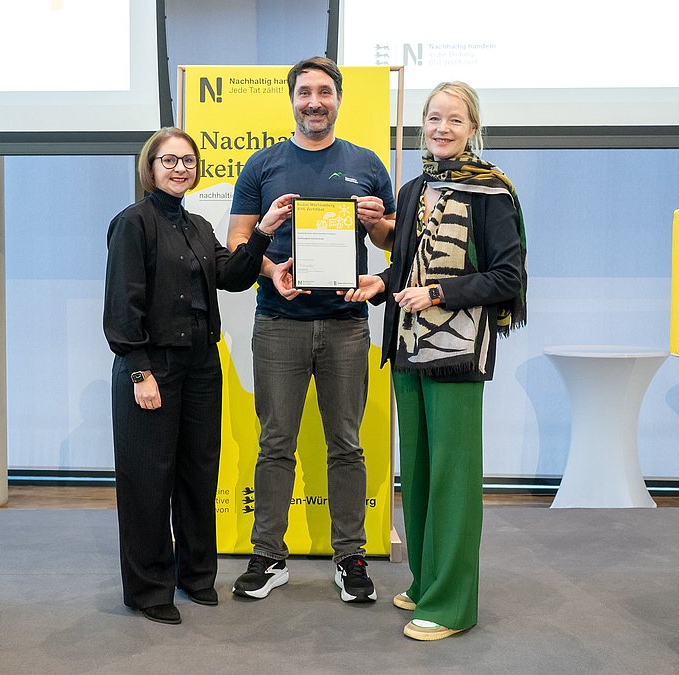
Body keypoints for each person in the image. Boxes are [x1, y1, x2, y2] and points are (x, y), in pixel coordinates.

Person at [343, 82, 526, 639]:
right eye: (433, 118)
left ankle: (451, 606)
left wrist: (441, 294)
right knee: (418, 474)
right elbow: (406, 269)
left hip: (457, 355)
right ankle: (426, 581)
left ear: (473, 128)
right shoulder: (415, 187)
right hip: (407, 350)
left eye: (454, 119)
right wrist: (379, 282)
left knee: (452, 478)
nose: (442, 128)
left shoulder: (492, 193)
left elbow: (507, 278)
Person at [104, 127, 295, 624]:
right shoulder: (133, 223)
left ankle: (195, 576)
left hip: (201, 369)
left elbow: (232, 278)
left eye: (188, 161)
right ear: (150, 168)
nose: (180, 168)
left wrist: (263, 234)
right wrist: (139, 371)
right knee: (148, 480)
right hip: (152, 367)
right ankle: (150, 590)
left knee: (196, 475)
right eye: (169, 160)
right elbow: (123, 308)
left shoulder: (197, 226)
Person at [227, 56, 395, 603]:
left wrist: (379, 224)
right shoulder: (263, 165)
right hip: (279, 322)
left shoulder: (367, 163)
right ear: (292, 99)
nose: (314, 101)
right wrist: (272, 267)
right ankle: (268, 557)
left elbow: (393, 241)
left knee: (346, 443)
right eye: (305, 92)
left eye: (324, 91)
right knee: (276, 442)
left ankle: (350, 557)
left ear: (339, 99)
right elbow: (237, 247)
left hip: (347, 323)